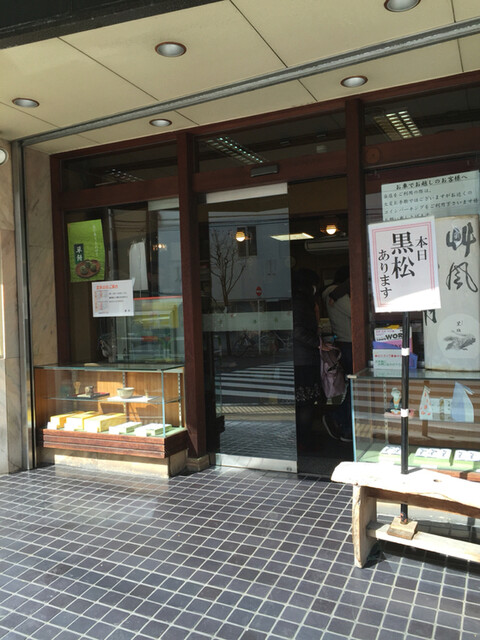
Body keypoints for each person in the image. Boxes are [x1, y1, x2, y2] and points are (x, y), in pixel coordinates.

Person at [291, 268, 323, 451]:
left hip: (299, 359)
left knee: (302, 402)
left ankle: (301, 440)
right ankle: (303, 441)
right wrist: (318, 343)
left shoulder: (296, 301)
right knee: (305, 403)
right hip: (303, 361)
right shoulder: (301, 303)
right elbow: (297, 331)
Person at [321, 265, 352, 442]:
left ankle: (344, 424)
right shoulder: (337, 294)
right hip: (349, 343)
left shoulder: (335, 293)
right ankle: (339, 419)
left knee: (354, 387)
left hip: (345, 342)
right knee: (356, 387)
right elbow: (356, 312)